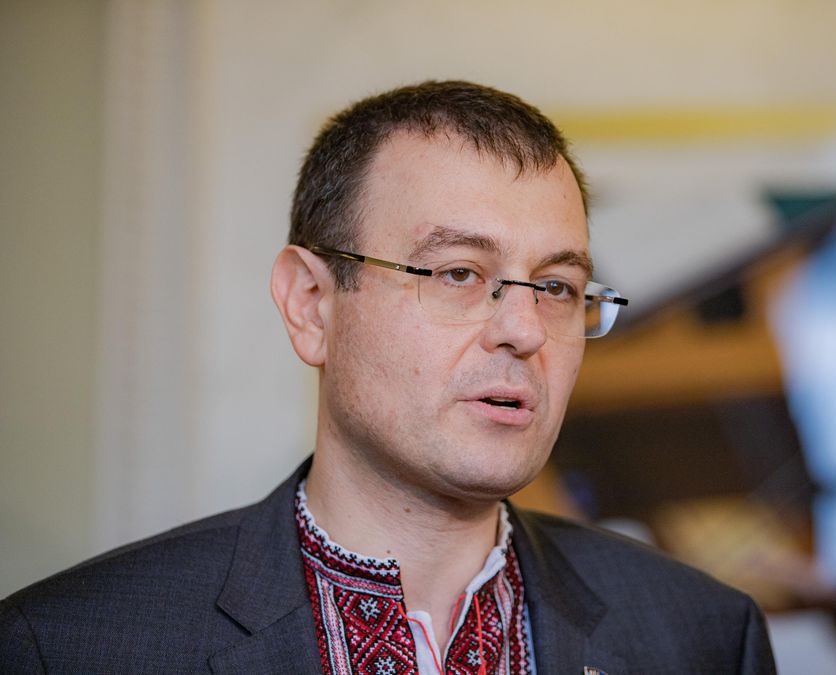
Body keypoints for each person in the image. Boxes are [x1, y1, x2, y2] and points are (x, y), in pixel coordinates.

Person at [1, 80, 775, 674]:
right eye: (458, 272)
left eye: (556, 286)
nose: (524, 328)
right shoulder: (67, 647)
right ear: (311, 304)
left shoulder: (700, 635)